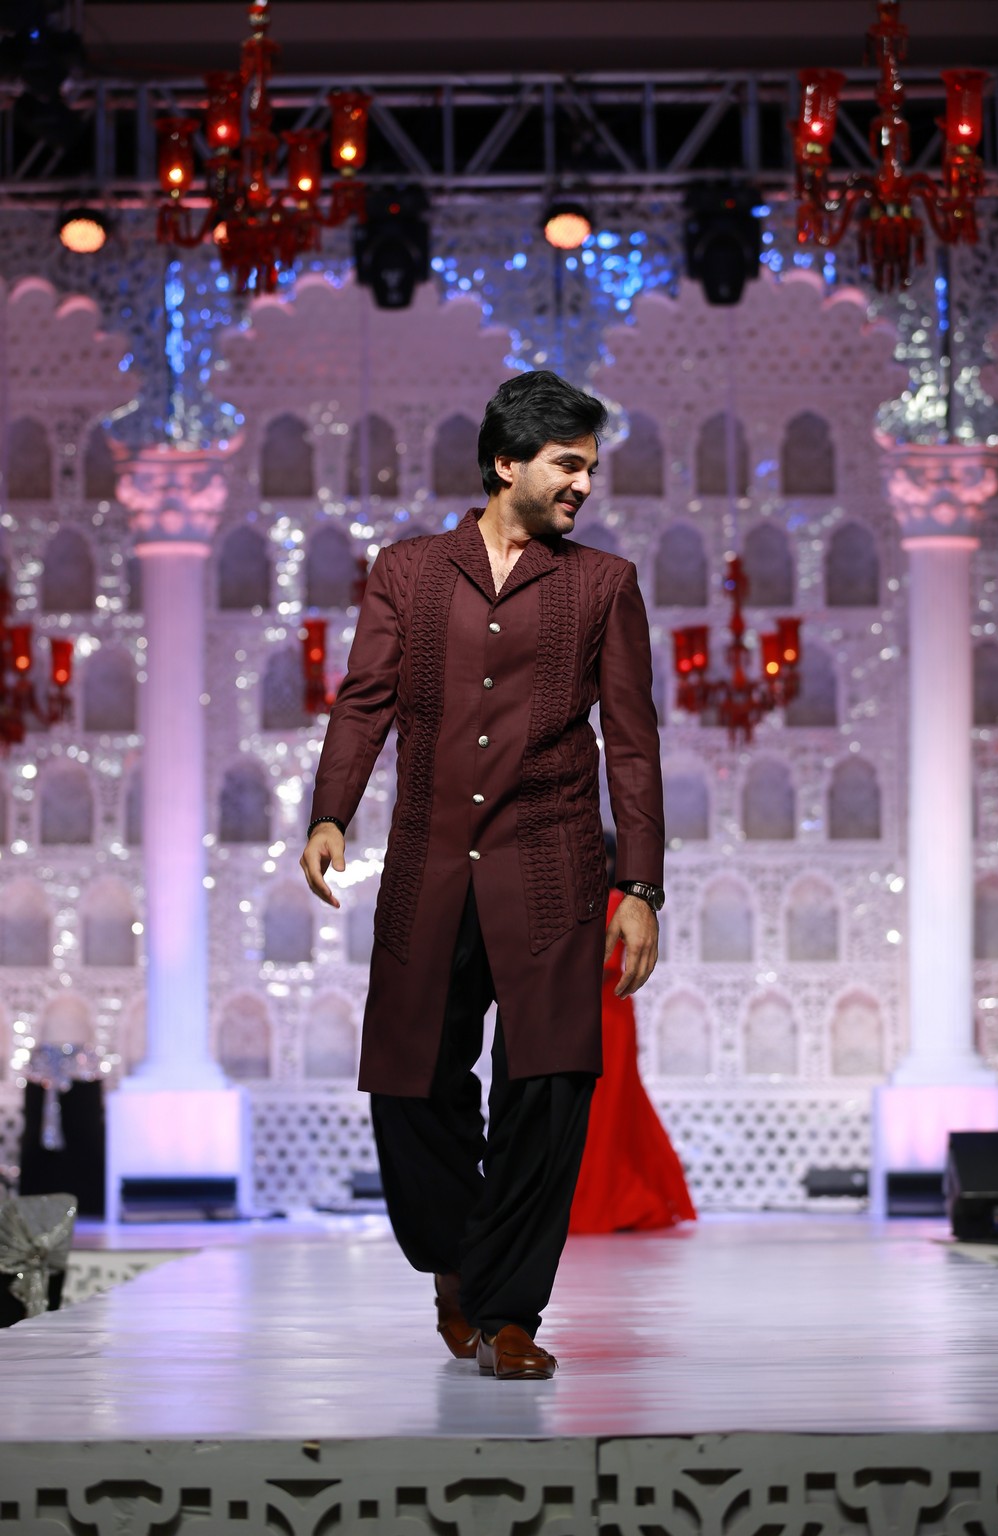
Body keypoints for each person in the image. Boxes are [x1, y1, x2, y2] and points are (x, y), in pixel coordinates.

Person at [300, 370, 664, 1380]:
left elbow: (633, 744)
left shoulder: (603, 584)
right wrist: (330, 813)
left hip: (550, 866)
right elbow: (364, 701)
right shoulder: (409, 572)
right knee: (409, 1082)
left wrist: (639, 888)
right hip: (428, 864)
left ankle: (510, 1313)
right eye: (567, 465)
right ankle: (457, 1265)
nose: (583, 485)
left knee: (547, 1089)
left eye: (590, 469)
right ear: (507, 464)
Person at [570, 841, 696, 1234]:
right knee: (607, 1107)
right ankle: (608, 1198)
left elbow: (603, 965)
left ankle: (603, 1201)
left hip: (604, 1016)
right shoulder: (597, 902)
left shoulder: (613, 902)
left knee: (606, 1107)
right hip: (601, 1014)